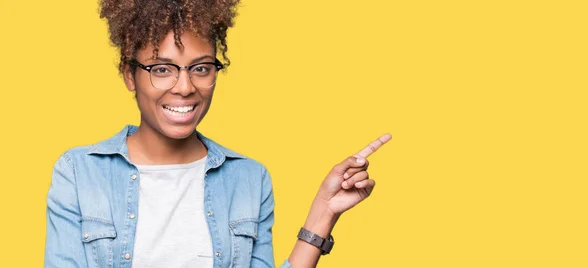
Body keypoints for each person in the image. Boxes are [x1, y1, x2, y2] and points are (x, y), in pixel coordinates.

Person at [44, 0, 391, 267]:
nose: (184, 87)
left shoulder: (249, 178)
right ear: (129, 74)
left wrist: (323, 212)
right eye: (161, 69)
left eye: (200, 68)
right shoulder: (79, 173)